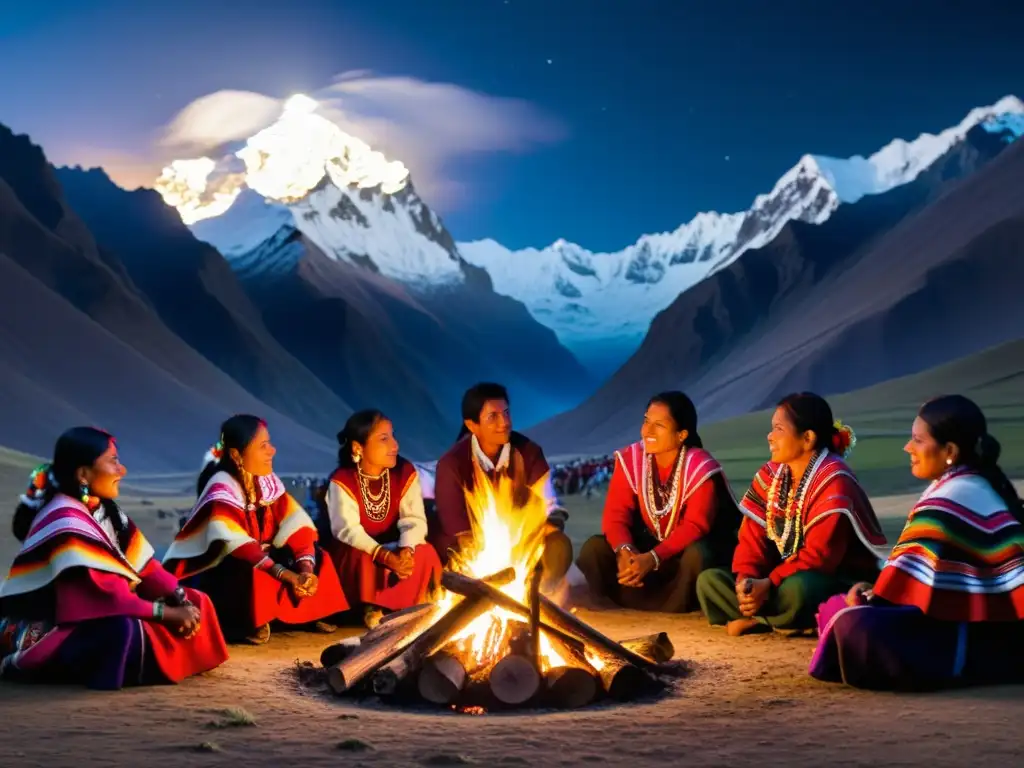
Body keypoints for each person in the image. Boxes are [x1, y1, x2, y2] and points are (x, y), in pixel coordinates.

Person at [810, 395, 1024, 690]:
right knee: (844, 608)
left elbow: (900, 593)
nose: (908, 448)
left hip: (968, 635)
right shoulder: (967, 484)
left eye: (918, 440)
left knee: (853, 622)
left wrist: (870, 596)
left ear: (949, 450)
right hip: (971, 624)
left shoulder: (952, 496)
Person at [0, 427, 228, 689]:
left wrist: (179, 598)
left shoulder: (103, 509)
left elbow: (143, 565)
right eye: (113, 461)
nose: (122, 470)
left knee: (199, 601)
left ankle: (164, 659)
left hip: (108, 606)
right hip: (58, 626)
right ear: (83, 474)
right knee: (120, 630)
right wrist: (169, 614)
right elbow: (105, 596)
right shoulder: (64, 518)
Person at [696, 392, 889, 635]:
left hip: (828, 578)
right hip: (776, 581)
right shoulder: (771, 475)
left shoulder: (834, 480)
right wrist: (746, 582)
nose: (770, 436)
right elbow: (751, 539)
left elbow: (820, 557)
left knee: (800, 590)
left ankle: (763, 620)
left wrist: (769, 582)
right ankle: (768, 616)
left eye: (778, 429)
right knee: (709, 581)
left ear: (807, 438)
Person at [163, 415, 347, 644]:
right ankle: (253, 621)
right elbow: (236, 543)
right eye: (263, 446)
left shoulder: (266, 480)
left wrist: (304, 568)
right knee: (251, 570)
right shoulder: (221, 485)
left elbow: (295, 522)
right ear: (236, 455)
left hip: (266, 555)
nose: (273, 450)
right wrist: (285, 574)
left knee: (319, 556)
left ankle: (311, 610)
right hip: (230, 565)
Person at [576, 392, 741, 612]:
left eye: (659, 425)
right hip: (644, 553)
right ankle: (615, 602)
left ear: (681, 434)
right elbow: (616, 515)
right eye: (646, 421)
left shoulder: (699, 467)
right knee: (594, 548)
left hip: (679, 558)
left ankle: (678, 605)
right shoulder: (631, 460)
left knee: (698, 555)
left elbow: (696, 525)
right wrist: (625, 551)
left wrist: (653, 558)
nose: (648, 431)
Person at [431, 382, 572, 592]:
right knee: (445, 550)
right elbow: (456, 528)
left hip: (520, 543)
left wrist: (546, 526)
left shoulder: (528, 453)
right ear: (472, 425)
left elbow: (549, 505)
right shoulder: (452, 464)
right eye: (493, 417)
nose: (504, 422)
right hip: (471, 548)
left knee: (559, 545)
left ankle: (538, 593)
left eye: (506, 413)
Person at [321, 410, 442, 628]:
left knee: (425, 552)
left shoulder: (404, 471)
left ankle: (404, 605)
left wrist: (407, 549)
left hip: (395, 548)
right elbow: (347, 530)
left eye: (393, 436)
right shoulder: (342, 480)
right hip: (360, 552)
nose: (395, 445)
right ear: (358, 448)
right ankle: (371, 607)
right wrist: (384, 555)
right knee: (359, 555)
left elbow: (413, 518)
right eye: (384, 439)